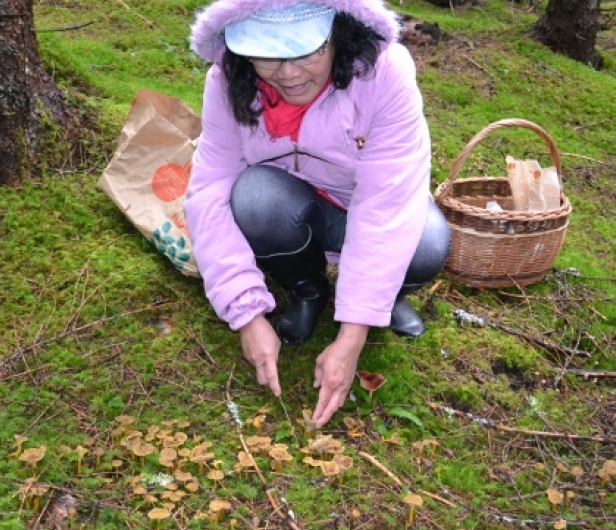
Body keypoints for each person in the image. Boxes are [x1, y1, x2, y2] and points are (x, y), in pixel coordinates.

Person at [187, 0, 450, 427]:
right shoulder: (227, 81)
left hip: (369, 203)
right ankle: (308, 290)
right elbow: (209, 190)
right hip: (294, 205)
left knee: (426, 243)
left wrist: (353, 336)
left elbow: (385, 204)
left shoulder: (384, 72)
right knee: (253, 199)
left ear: (339, 34)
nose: (288, 73)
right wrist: (246, 316)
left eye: (305, 51)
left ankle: (383, 299)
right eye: (267, 54)